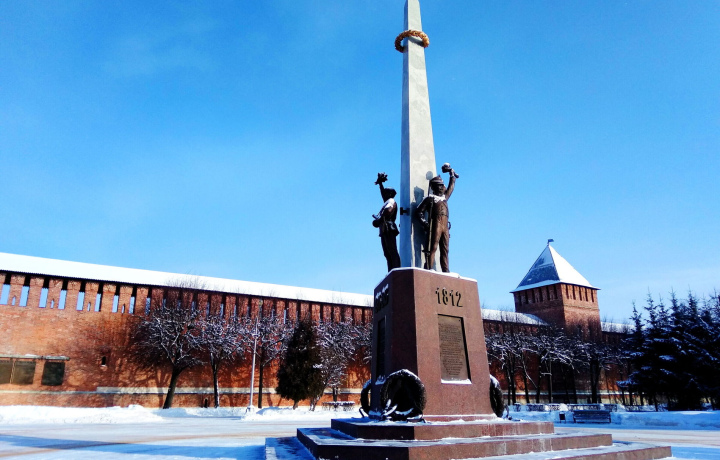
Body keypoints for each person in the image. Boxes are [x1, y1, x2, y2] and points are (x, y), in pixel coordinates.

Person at [415, 164, 457, 272]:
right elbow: (418, 212)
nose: (443, 187)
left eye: (442, 185)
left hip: (445, 225)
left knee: (445, 249)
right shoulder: (430, 199)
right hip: (435, 224)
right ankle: (429, 268)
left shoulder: (444, 198)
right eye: (440, 186)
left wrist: (451, 174)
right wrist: (425, 223)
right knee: (432, 247)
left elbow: (451, 187)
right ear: (434, 187)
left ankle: (446, 270)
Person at [373, 173, 401, 271]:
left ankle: (396, 270)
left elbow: (388, 211)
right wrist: (380, 184)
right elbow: (382, 194)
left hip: (389, 227)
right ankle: (391, 271)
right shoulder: (387, 201)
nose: (383, 193)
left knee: (392, 250)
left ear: (389, 194)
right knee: (387, 253)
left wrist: (378, 220)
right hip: (384, 229)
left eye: (386, 192)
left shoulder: (391, 202)